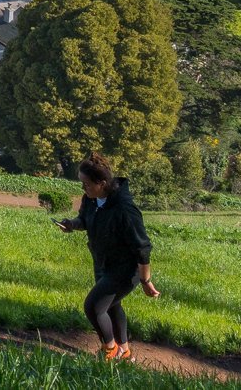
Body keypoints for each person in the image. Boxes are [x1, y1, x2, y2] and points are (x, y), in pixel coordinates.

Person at [56, 152, 158, 361]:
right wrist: (71, 224)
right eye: (82, 184)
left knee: (93, 307)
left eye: (86, 184)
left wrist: (145, 280)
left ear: (102, 183)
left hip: (124, 270)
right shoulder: (92, 200)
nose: (83, 189)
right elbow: (84, 220)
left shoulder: (124, 209)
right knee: (110, 305)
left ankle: (109, 350)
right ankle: (125, 351)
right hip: (102, 263)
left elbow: (143, 247)